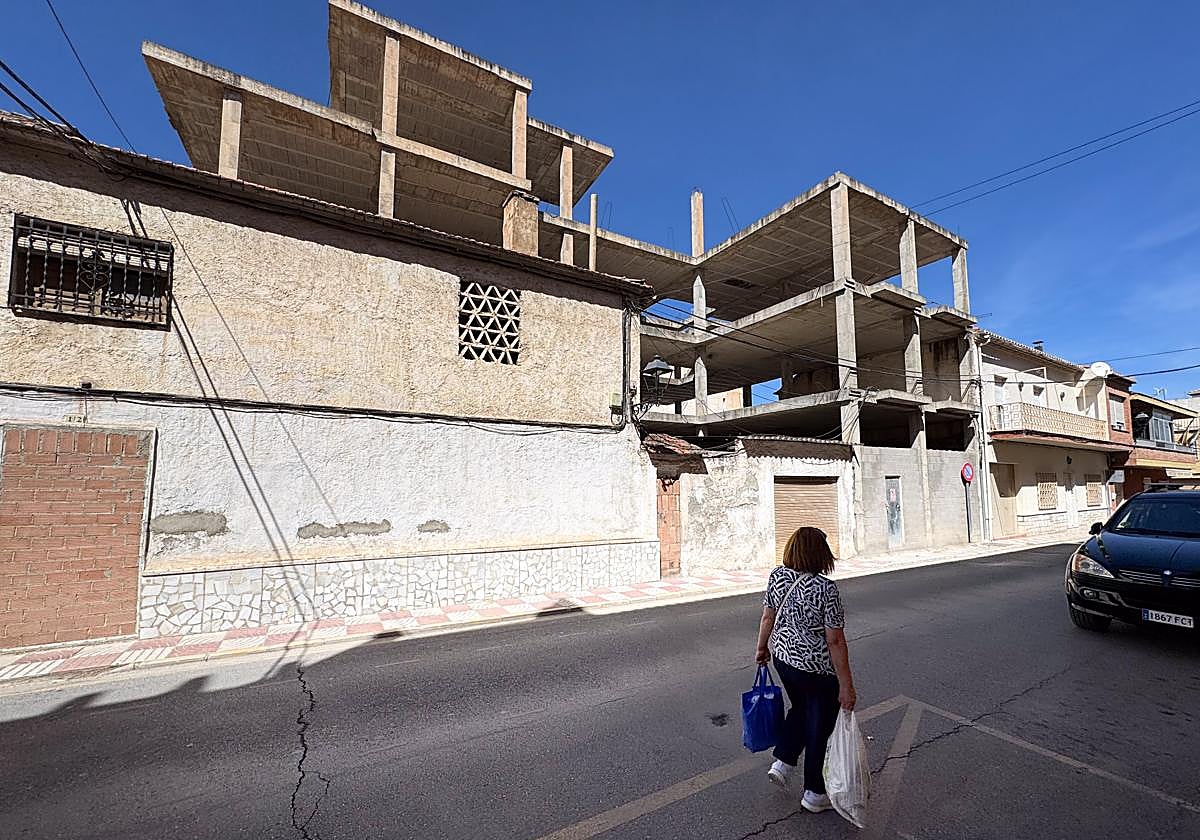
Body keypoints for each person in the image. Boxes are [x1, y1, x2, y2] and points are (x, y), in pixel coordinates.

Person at [754, 526, 856, 813]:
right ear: (820, 554)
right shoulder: (827, 590)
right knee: (819, 729)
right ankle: (814, 793)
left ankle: (783, 762)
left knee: (800, 708)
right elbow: (835, 640)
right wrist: (846, 686)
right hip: (817, 671)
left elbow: (767, 617)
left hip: (784, 661)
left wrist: (762, 649)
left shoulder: (777, 576)